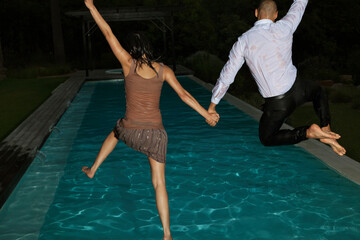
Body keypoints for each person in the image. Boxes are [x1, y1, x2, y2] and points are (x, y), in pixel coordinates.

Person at [81, 1, 219, 239]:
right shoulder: (163, 69)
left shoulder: (127, 63)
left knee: (116, 130)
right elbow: (184, 95)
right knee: (159, 184)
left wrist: (92, 7)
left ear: (132, 50)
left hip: (131, 131)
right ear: (148, 48)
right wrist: (206, 114)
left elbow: (107, 32)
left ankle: (93, 168)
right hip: (156, 137)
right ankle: (167, 234)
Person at [208, 0, 346, 156]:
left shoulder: (244, 41)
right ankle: (325, 127)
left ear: (255, 13)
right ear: (275, 15)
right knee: (318, 91)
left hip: (278, 104)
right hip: (298, 88)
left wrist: (213, 105)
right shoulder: (284, 26)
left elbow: (228, 74)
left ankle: (309, 133)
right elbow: (299, 5)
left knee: (267, 138)